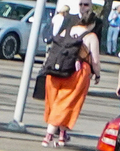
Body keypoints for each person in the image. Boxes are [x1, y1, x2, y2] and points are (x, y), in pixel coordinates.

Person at [39, 9, 98, 144]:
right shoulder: (90, 36)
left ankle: (62, 134)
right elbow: (95, 60)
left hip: (55, 70)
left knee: (54, 102)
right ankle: (48, 136)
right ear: (92, 23)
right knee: (66, 103)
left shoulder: (67, 30)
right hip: (76, 73)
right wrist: (97, 75)